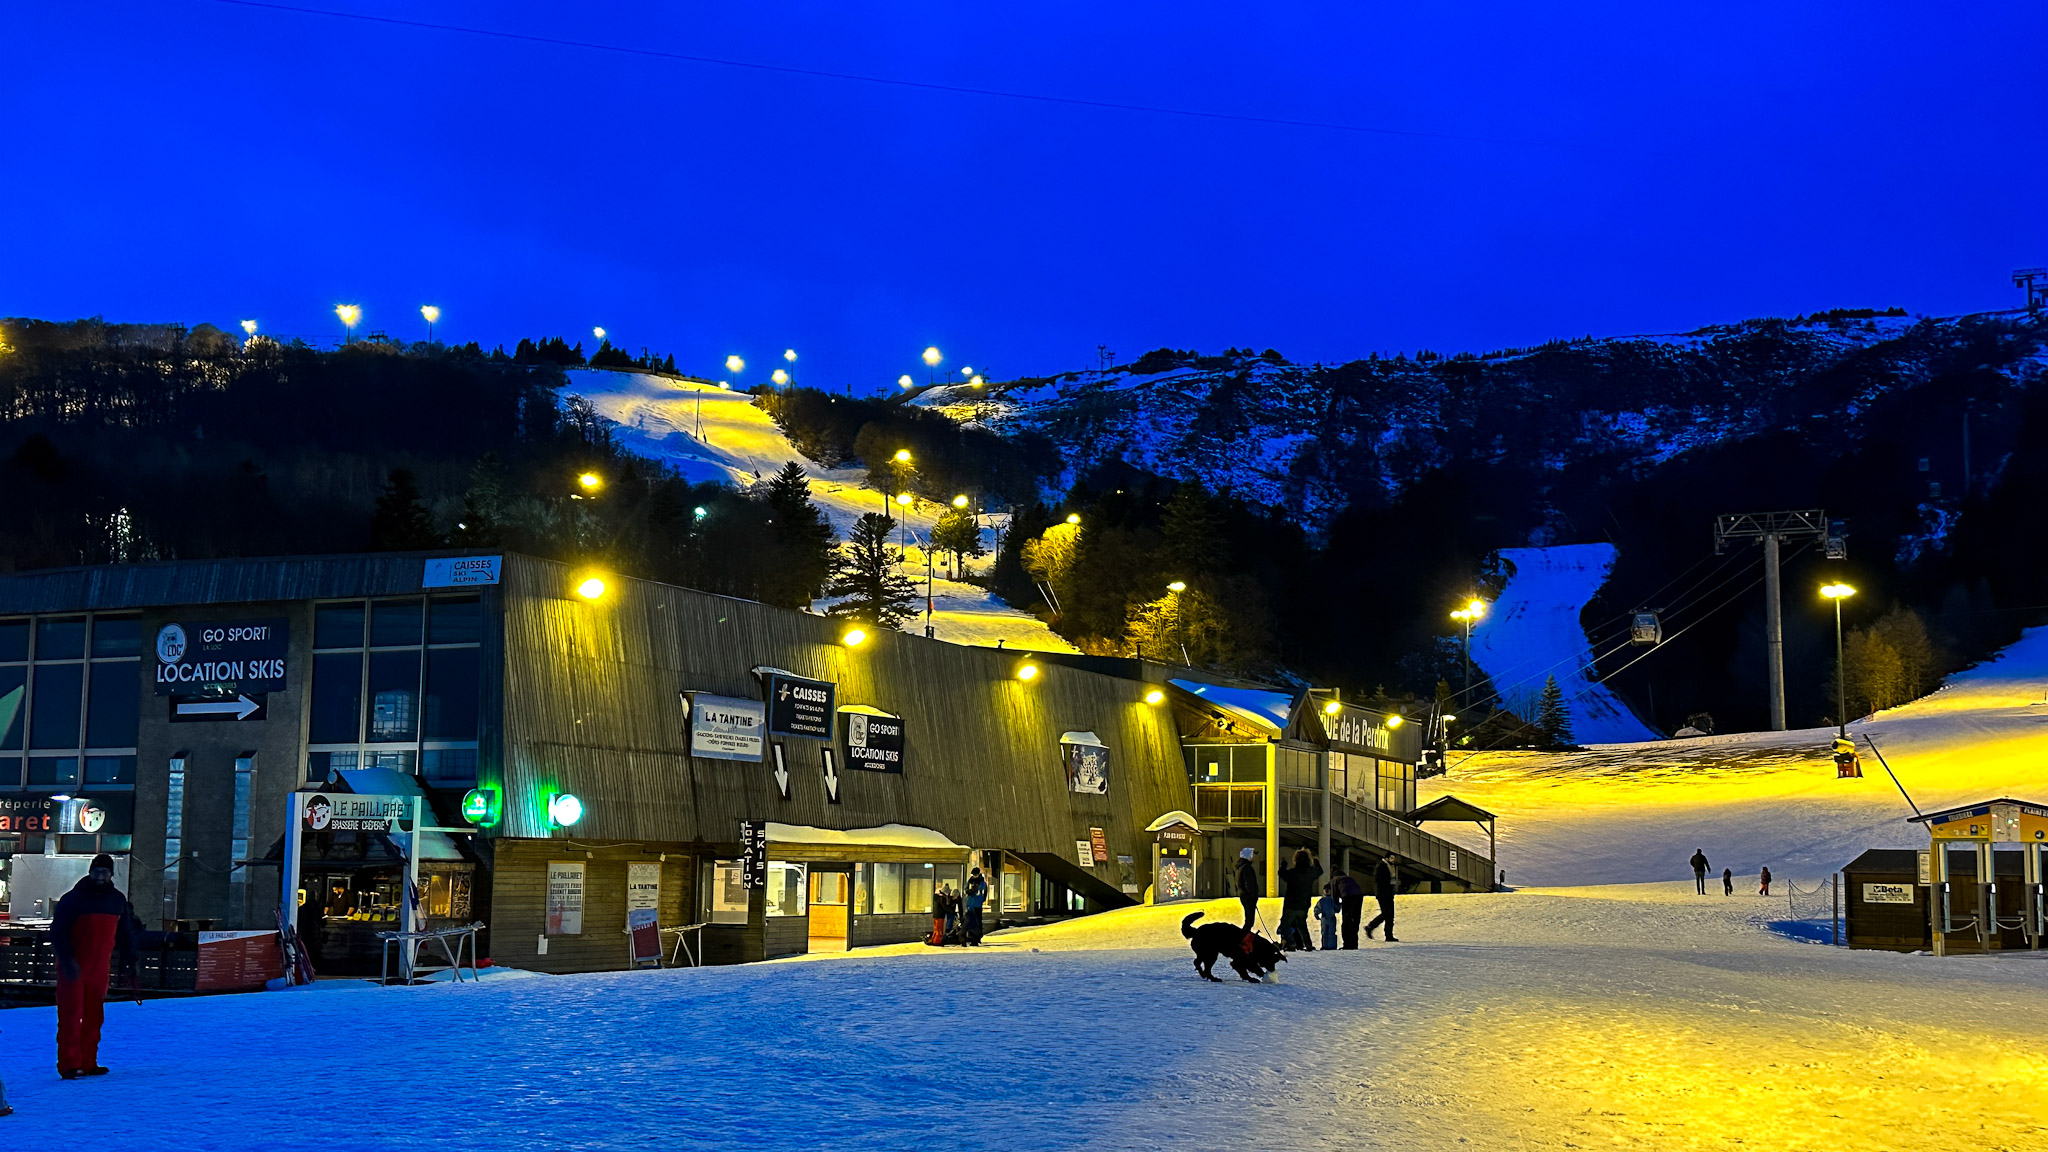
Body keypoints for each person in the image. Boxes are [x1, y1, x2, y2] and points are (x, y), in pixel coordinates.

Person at [52, 853, 136, 1079]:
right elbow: (57, 932)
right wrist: (67, 961)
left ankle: (88, 1062)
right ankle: (69, 1064)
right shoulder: (73, 899)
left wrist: (131, 963)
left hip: (99, 969)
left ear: (111, 875)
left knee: (94, 1016)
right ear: (90, 872)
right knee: (71, 1015)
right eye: (96, 872)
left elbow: (126, 934)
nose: (100, 876)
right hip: (73, 967)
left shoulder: (117, 900)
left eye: (104, 873)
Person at [1278, 848, 1322, 951]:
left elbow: (1281, 873)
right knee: (1302, 925)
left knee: (1285, 925)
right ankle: (1308, 945)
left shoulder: (1292, 873)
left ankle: (1291, 943)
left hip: (1291, 904)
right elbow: (1320, 871)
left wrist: (1283, 864)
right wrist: (1315, 860)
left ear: (1296, 860)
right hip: (1304, 904)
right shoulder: (1310, 873)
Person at [1365, 853, 1399, 942]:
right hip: (1382, 893)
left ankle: (1389, 935)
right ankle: (1370, 926)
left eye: (1394, 858)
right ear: (1386, 858)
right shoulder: (1381, 866)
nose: (1393, 860)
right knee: (1386, 913)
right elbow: (1378, 880)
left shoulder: (1392, 866)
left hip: (1389, 893)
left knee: (1390, 914)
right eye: (1391, 858)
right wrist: (1387, 884)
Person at [1333, 871, 1365, 949]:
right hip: (1359, 896)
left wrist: (1336, 907)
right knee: (1355, 919)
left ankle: (1347, 944)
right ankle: (1354, 943)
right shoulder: (1349, 878)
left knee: (1346, 921)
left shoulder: (1335, 879)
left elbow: (1334, 895)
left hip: (1347, 896)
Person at [1235, 847, 1261, 930]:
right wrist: (1253, 897)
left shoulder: (1242, 867)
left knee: (1248, 921)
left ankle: (1243, 938)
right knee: (1249, 922)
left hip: (1245, 896)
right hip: (1248, 897)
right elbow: (1250, 885)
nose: (1253, 857)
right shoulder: (1247, 868)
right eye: (1252, 855)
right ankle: (1243, 939)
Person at [964, 868, 989, 945]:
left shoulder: (982, 883)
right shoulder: (969, 881)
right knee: (970, 922)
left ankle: (977, 938)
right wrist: (969, 891)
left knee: (977, 922)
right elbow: (965, 890)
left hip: (977, 905)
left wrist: (980, 900)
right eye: (973, 874)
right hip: (970, 904)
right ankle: (971, 937)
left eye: (975, 874)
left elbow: (984, 894)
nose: (974, 876)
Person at [1315, 883, 1339, 951]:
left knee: (1331, 932)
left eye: (1329, 890)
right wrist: (1316, 914)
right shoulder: (1322, 900)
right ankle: (1324, 945)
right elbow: (1317, 908)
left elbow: (1337, 909)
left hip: (1331, 917)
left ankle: (1332, 945)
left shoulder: (1333, 900)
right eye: (1326, 890)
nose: (1327, 891)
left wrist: (1338, 906)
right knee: (1324, 932)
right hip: (1324, 918)